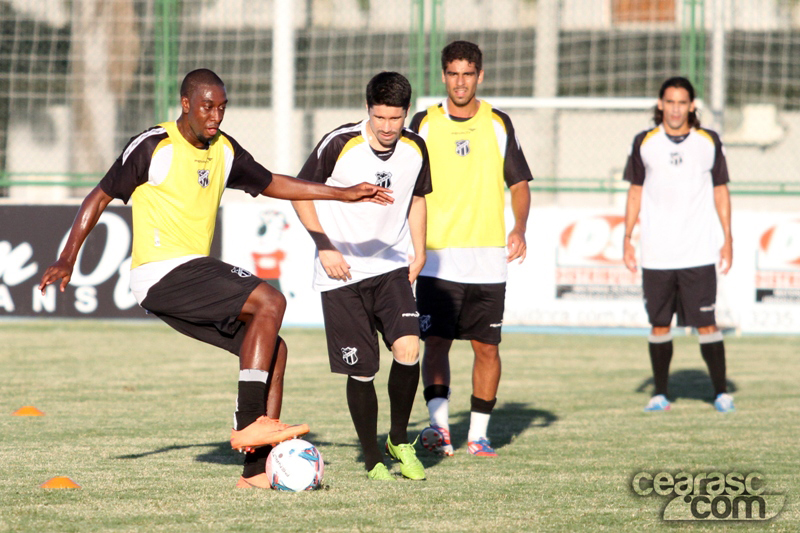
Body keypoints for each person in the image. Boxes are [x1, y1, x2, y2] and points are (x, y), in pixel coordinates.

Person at [38, 68, 394, 489]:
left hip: (185, 275)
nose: (216, 115)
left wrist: (342, 192)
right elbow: (99, 195)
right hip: (161, 270)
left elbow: (272, 182)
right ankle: (249, 424)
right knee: (271, 302)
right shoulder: (154, 145)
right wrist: (66, 257)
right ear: (186, 103)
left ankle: (256, 471)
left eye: (222, 107)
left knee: (274, 351)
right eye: (208, 106)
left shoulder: (225, 149)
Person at [292, 71, 431, 481]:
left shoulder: (416, 147)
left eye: (396, 118)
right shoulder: (340, 144)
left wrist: (419, 249)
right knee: (363, 369)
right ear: (367, 110)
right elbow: (299, 192)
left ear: (407, 112)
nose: (388, 127)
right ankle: (372, 458)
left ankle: (399, 440)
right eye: (380, 117)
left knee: (409, 348)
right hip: (342, 273)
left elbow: (418, 197)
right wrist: (325, 247)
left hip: (390, 266)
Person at [409, 41, 533, 457]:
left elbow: (518, 184)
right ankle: (440, 429)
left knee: (487, 348)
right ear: (443, 76)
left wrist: (520, 227)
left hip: (487, 259)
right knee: (437, 342)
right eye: (453, 73)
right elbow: (409, 185)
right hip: (436, 257)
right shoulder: (423, 123)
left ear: (480, 76)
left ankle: (478, 434)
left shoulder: (498, 123)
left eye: (468, 74)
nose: (460, 82)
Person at [622, 76, 734, 413]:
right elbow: (635, 191)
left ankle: (720, 393)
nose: (675, 108)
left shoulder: (708, 141)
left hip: (697, 252)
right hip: (656, 254)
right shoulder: (644, 142)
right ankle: (660, 394)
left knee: (707, 324)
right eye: (669, 102)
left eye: (681, 102)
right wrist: (627, 238)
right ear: (660, 105)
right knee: (659, 324)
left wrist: (728, 238)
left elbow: (720, 190)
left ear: (691, 106)